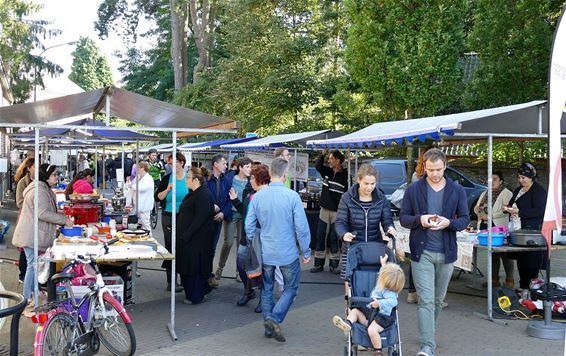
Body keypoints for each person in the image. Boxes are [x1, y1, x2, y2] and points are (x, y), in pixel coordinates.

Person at [400, 148, 469, 356]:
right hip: (422, 252)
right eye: (430, 170)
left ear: (445, 166)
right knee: (426, 300)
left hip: (446, 252)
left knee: (438, 300)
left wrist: (449, 223)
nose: (435, 174)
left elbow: (465, 220)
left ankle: (429, 331)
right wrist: (419, 220)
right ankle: (427, 345)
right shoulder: (414, 189)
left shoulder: (457, 190)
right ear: (424, 167)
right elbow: (404, 217)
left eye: (438, 169)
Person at [245, 157, 311, 342]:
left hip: (266, 252)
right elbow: (302, 227)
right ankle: (275, 317)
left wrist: (253, 241)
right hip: (287, 252)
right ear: (284, 174)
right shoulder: (292, 196)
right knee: (291, 288)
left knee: (266, 288)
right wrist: (306, 250)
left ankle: (268, 325)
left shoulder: (257, 197)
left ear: (271, 172)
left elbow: (249, 225)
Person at [12, 164, 73, 317]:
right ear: (46, 176)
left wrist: (60, 215)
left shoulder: (41, 189)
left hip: (33, 234)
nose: (56, 177)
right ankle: (25, 301)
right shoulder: (40, 191)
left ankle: (32, 296)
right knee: (32, 268)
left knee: (34, 267)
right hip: (32, 235)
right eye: (54, 175)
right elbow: (43, 213)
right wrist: (63, 220)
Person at [332, 254, 405, 356]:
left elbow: (393, 302)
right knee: (355, 311)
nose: (380, 277)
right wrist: (383, 265)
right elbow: (383, 274)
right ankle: (348, 324)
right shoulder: (383, 282)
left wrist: (379, 303)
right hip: (369, 315)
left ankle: (378, 351)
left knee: (372, 330)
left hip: (381, 318)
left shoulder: (390, 292)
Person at [335, 164, 396, 281]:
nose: (369, 187)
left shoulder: (381, 198)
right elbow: (340, 221)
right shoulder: (347, 198)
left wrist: (390, 228)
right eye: (366, 183)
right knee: (350, 280)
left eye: (373, 184)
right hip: (352, 246)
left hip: (374, 247)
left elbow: (387, 219)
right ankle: (349, 299)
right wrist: (344, 234)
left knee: (374, 280)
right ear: (358, 180)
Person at [229, 163, 270, 309]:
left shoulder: (266, 195)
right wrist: (235, 200)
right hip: (246, 237)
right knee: (241, 265)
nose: (250, 179)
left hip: (261, 239)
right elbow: (244, 212)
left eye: (253, 177)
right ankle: (249, 290)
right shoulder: (248, 191)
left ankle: (263, 298)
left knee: (261, 269)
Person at [502, 163, 547, 293]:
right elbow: (511, 205)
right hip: (517, 231)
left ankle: (531, 289)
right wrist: (507, 209)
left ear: (532, 177)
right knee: (521, 260)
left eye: (524, 178)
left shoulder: (539, 191)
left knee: (531, 261)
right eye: (520, 177)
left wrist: (519, 212)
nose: (521, 180)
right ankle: (523, 287)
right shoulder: (518, 190)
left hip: (532, 233)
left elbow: (540, 211)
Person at [176, 167, 215, 304]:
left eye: (188, 178)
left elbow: (200, 218)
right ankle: (191, 293)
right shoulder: (193, 193)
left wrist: (187, 234)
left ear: (196, 180)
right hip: (188, 239)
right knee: (188, 267)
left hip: (196, 240)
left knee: (195, 268)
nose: (186, 180)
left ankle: (196, 295)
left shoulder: (203, 194)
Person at [473, 172, 514, 288]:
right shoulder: (484, 193)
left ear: (501, 181)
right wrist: (479, 211)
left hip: (499, 227)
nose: (492, 181)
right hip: (485, 226)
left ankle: (510, 279)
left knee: (504, 254)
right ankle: (494, 279)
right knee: (492, 254)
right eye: (490, 179)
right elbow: (476, 208)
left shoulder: (507, 193)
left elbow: (505, 210)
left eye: (495, 179)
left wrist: (490, 216)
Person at [156, 152, 189, 293]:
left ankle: (185, 279)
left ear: (181, 162)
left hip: (185, 217)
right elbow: (158, 198)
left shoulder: (189, 178)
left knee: (184, 246)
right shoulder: (166, 179)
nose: (171, 165)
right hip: (169, 215)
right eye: (169, 163)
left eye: (173, 162)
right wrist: (168, 188)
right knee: (170, 247)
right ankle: (171, 282)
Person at [216, 157, 253, 281]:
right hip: (231, 214)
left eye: (250, 166)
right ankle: (220, 267)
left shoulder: (250, 182)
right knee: (229, 242)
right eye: (247, 166)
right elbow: (224, 197)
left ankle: (239, 271)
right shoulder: (229, 179)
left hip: (244, 216)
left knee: (240, 245)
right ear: (240, 168)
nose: (250, 169)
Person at [311, 149, 348, 274]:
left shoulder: (346, 176)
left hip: (337, 211)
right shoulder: (327, 171)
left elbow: (348, 195)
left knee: (334, 237)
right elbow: (318, 166)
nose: (329, 160)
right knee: (320, 235)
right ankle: (318, 264)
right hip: (324, 209)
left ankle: (333, 264)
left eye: (331, 158)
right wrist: (322, 153)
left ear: (338, 160)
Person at [205, 154, 233, 287]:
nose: (226, 166)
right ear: (215, 164)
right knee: (203, 247)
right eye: (224, 163)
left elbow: (229, 201)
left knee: (212, 248)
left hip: (218, 219)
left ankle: (208, 275)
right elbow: (200, 197)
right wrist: (210, 207)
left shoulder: (226, 180)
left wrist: (223, 213)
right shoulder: (205, 179)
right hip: (205, 219)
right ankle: (203, 274)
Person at [14, 157, 35, 283]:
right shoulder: (23, 182)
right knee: (25, 245)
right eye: (34, 167)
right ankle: (23, 274)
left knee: (31, 246)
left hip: (34, 216)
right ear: (29, 168)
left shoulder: (39, 181)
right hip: (25, 216)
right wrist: (33, 204)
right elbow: (19, 202)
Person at [129, 162, 155, 232]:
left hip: (145, 205)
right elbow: (132, 183)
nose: (136, 169)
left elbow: (143, 188)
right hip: (139, 205)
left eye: (138, 168)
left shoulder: (148, 178)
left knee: (146, 224)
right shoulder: (139, 177)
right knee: (142, 225)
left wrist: (132, 186)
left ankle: (150, 239)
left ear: (143, 168)